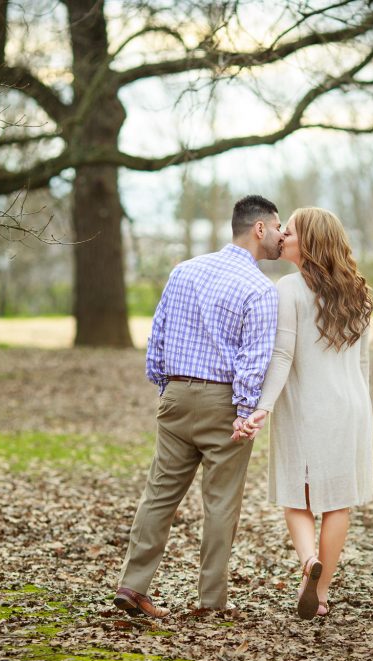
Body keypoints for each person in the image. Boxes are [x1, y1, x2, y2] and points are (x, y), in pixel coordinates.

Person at [113, 195, 285, 618]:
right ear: (259, 229)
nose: (283, 236)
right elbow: (253, 359)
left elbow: (158, 337)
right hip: (224, 402)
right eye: (279, 227)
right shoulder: (261, 290)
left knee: (159, 495)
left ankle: (132, 586)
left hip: (175, 395)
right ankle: (211, 602)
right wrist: (245, 411)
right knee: (221, 503)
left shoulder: (184, 271)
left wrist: (166, 388)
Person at [238, 207, 373, 620]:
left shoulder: (289, 288)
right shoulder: (360, 292)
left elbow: (282, 355)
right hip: (352, 406)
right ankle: (323, 591)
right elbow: (364, 363)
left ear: (309, 243)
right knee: (338, 503)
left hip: (306, 407)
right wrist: (363, 407)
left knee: (297, 494)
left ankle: (308, 560)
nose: (283, 237)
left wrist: (262, 407)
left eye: (290, 232)